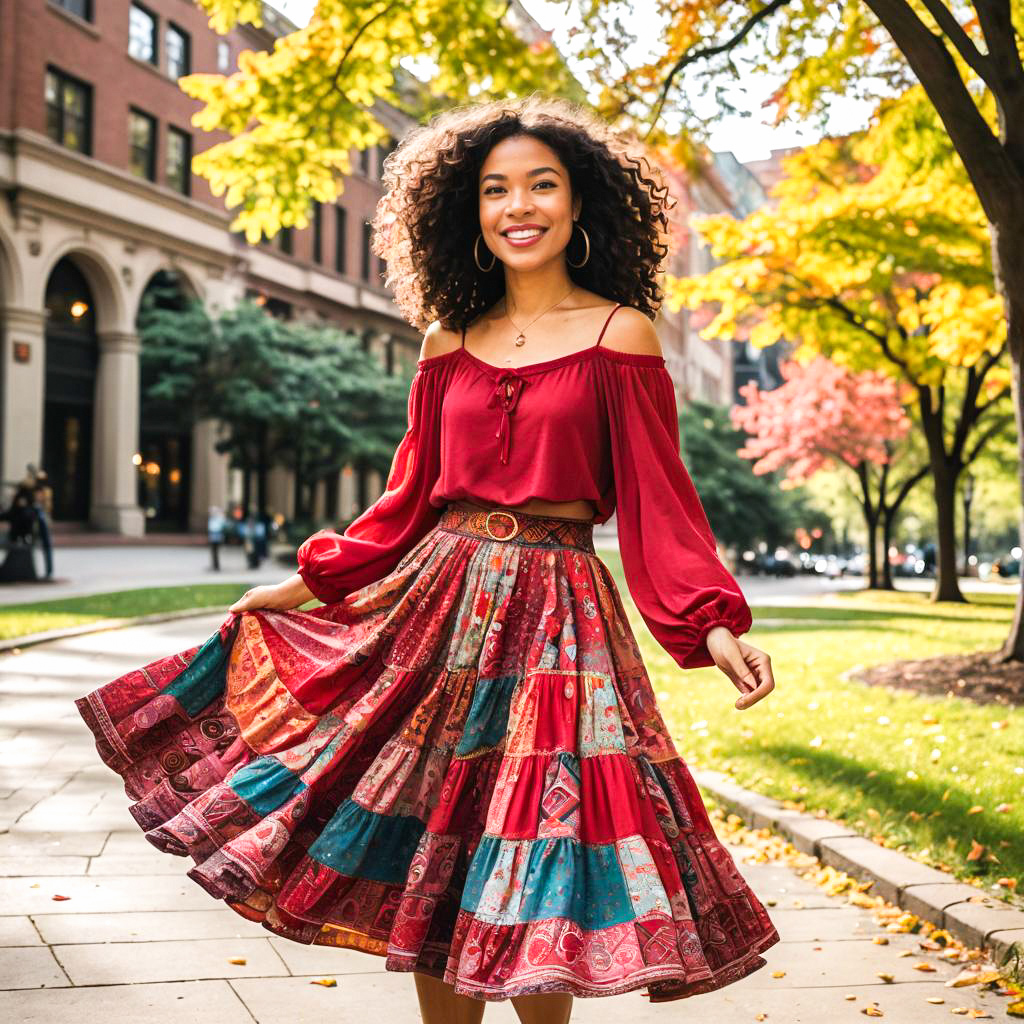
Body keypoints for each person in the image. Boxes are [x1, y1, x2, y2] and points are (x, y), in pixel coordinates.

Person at [74, 95, 779, 1023]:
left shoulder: (622, 335)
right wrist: (306, 583)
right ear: (470, 213)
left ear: (579, 207)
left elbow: (659, 501)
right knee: (442, 846)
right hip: (436, 612)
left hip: (558, 621)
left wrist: (712, 624)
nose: (518, 206)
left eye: (542, 185)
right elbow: (408, 499)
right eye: (495, 190)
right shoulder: (445, 341)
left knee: (536, 849)